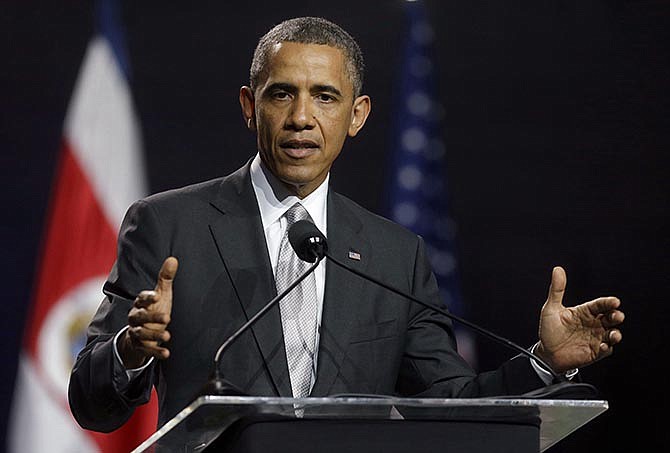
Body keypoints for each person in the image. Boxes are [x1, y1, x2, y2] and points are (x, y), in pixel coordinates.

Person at [68, 17, 624, 433]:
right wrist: (130, 351)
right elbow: (92, 403)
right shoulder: (168, 225)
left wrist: (543, 363)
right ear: (249, 106)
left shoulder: (393, 254)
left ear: (356, 116)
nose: (301, 117)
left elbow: (451, 401)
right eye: (281, 93)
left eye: (324, 96)